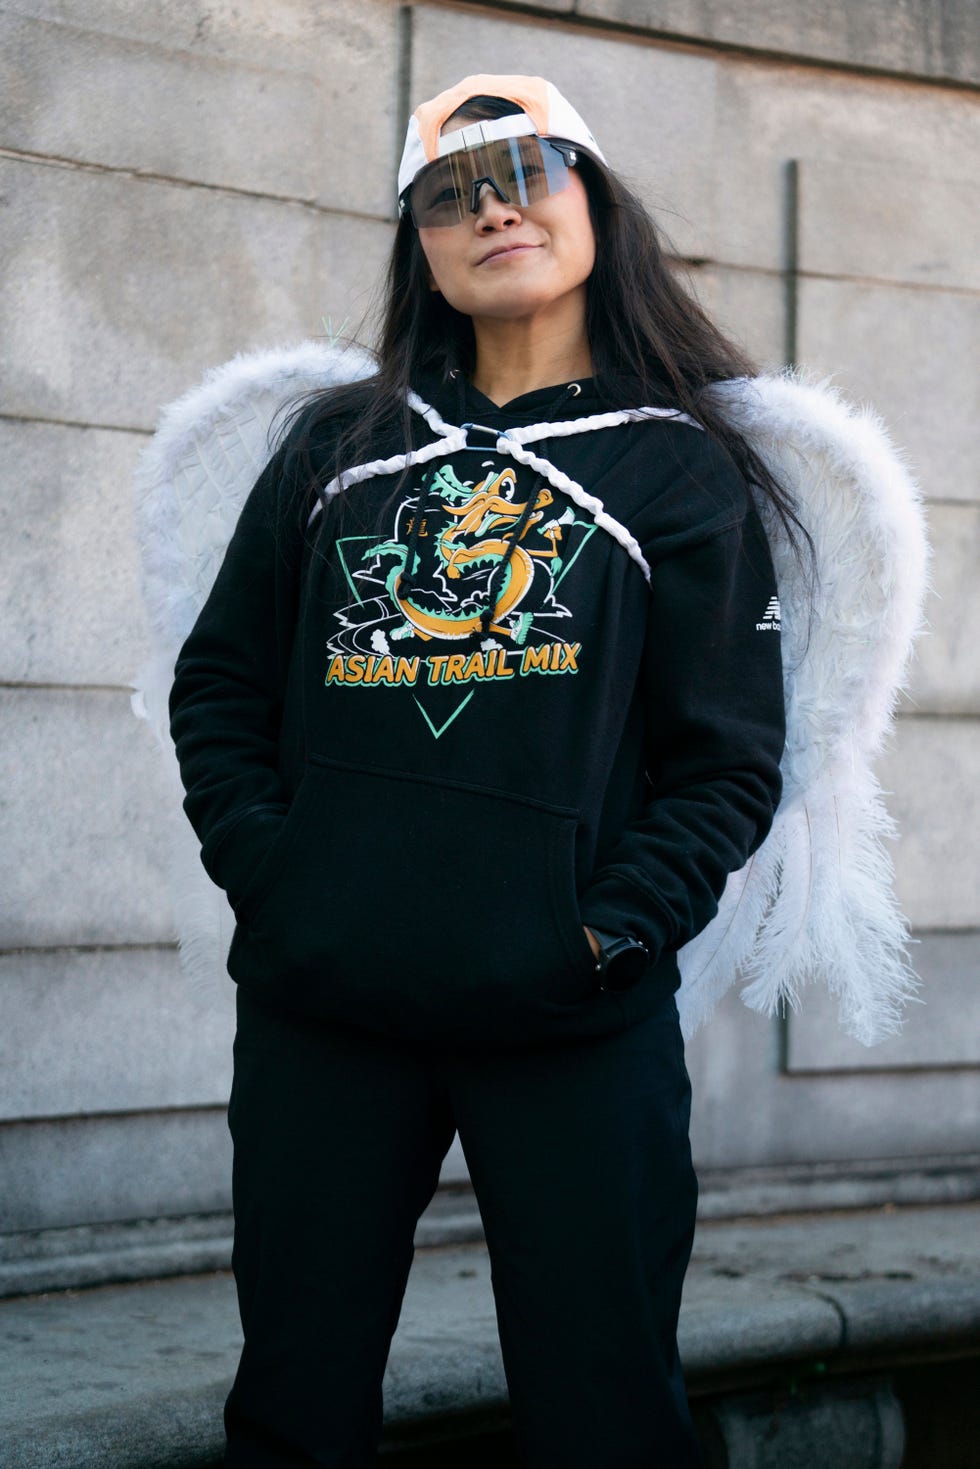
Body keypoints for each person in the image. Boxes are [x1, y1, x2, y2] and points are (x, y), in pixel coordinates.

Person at [169, 74, 796, 1469]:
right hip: (323, 1007)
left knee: (607, 1417)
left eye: (528, 172)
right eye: (451, 192)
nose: (493, 207)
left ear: (596, 206)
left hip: (574, 1021)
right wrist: (283, 883)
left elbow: (730, 761)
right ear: (421, 247)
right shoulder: (336, 449)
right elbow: (218, 684)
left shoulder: (682, 473)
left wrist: (606, 931)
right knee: (293, 1410)